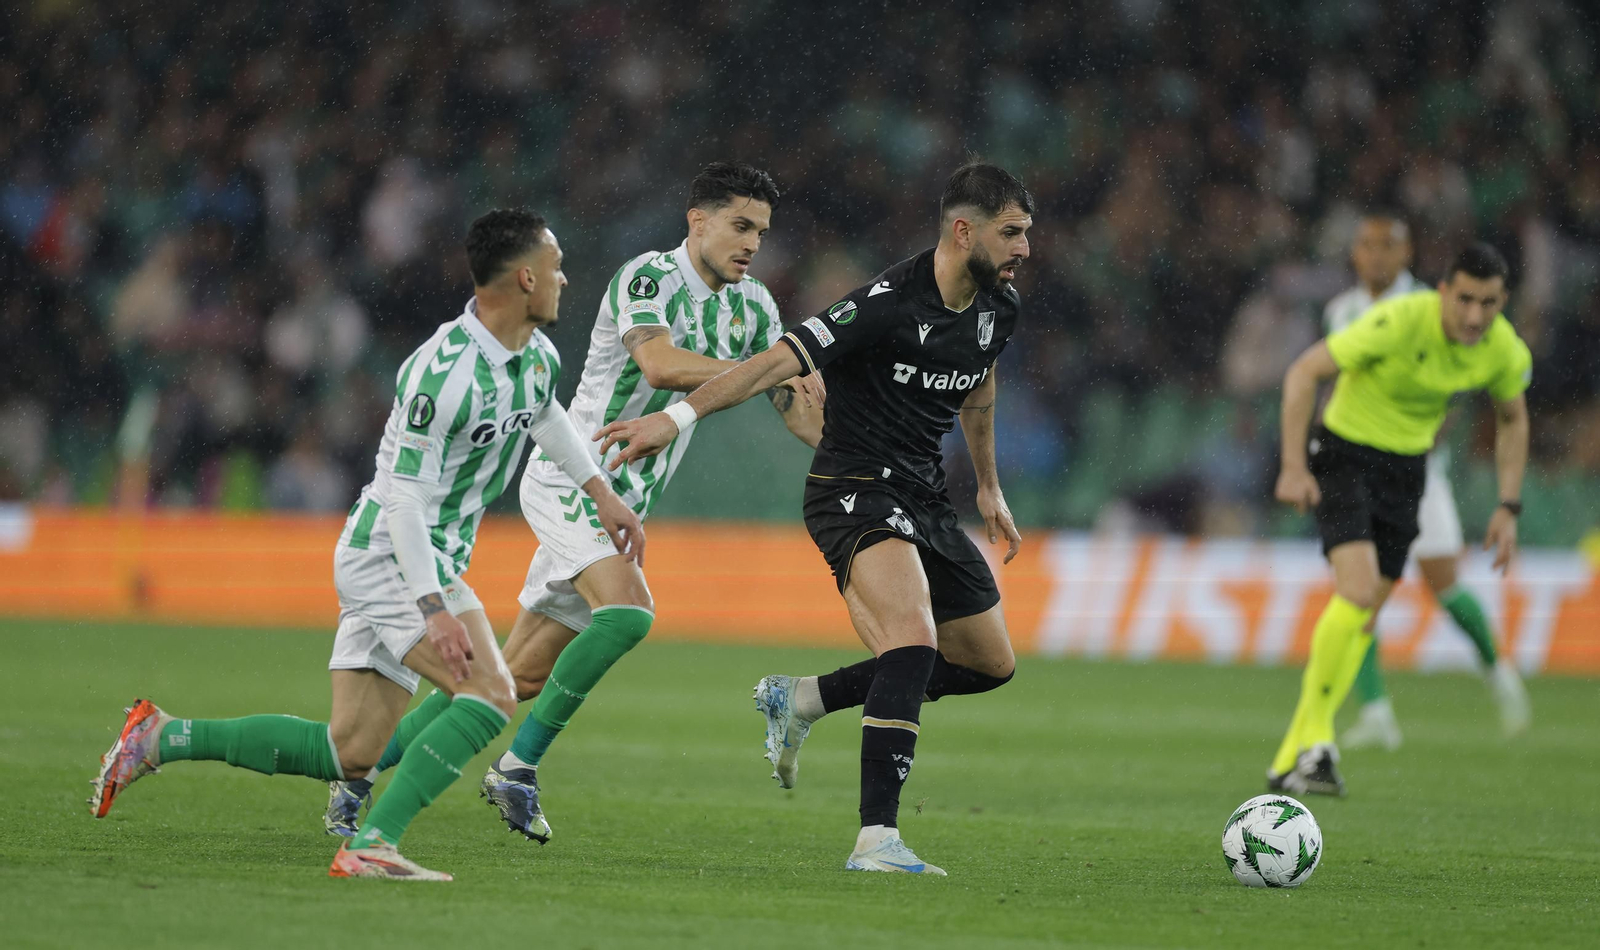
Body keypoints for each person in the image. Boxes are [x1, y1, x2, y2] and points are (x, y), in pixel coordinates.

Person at [88, 209, 645, 880]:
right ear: (525, 277)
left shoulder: (536, 357)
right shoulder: (440, 374)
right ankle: (373, 842)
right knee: (491, 693)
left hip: (420, 560)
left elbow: (546, 416)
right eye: (555, 266)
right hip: (393, 556)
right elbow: (406, 498)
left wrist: (602, 492)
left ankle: (160, 736)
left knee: (351, 752)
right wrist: (433, 606)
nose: (564, 277)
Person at [322, 162, 823, 843]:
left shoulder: (755, 308)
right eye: (739, 226)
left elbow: (790, 396)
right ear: (696, 221)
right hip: (576, 479)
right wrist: (769, 370)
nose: (751, 245)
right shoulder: (649, 279)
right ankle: (517, 770)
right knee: (629, 613)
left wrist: (819, 420)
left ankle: (356, 771)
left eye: (761, 233)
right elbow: (660, 365)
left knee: (514, 677)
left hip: (628, 501)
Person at [597, 162, 1033, 875]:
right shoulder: (886, 303)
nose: (1023, 248)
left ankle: (801, 697)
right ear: (964, 230)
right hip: (852, 485)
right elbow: (774, 364)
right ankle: (876, 839)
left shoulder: (998, 308)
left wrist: (989, 486)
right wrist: (674, 419)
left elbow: (980, 380)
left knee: (988, 664)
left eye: (1025, 233)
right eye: (1011, 232)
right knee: (912, 640)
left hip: (924, 492)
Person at [1269, 242, 1532, 796]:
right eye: (1464, 300)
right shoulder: (1397, 320)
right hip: (1345, 454)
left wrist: (1508, 505)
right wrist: (1293, 466)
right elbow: (1303, 372)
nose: (1474, 316)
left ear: (1503, 300)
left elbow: (1513, 418)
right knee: (1359, 590)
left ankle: (1291, 756)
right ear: (1443, 292)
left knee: (1364, 615)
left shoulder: (1503, 349)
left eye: (1488, 303)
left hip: (1408, 472)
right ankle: (1318, 742)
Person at [1322, 214, 1530, 750]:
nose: (1375, 256)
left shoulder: (1434, 306)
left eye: (1386, 246)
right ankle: (1375, 711)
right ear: (1353, 253)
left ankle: (1497, 669)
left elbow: (1459, 386)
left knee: (1444, 583)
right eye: (1365, 245)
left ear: (1407, 253)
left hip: (1418, 472)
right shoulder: (1340, 310)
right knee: (1358, 592)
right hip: (1361, 466)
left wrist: (1432, 429)